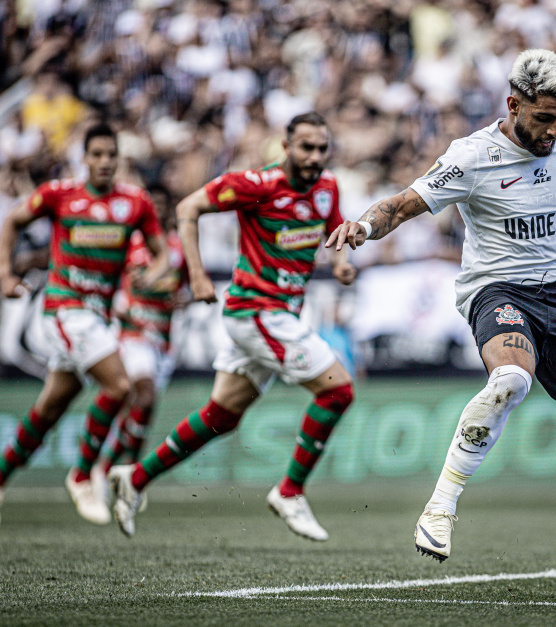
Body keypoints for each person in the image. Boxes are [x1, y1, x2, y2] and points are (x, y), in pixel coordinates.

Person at [327, 49, 556, 603]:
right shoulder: (472, 156)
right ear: (513, 104)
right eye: (543, 118)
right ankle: (441, 505)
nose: (553, 131)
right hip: (497, 291)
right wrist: (362, 227)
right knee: (512, 380)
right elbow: (402, 205)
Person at [108, 112, 357, 542]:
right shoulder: (257, 185)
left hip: (278, 316)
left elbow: (332, 227)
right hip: (257, 313)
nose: (315, 157)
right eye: (306, 147)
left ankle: (135, 478)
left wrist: (340, 262)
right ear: (286, 146)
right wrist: (200, 276)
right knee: (338, 390)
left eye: (321, 148)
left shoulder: (327, 187)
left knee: (220, 416)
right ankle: (289, 491)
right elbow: (189, 208)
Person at [0, 122, 169, 526]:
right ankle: (82, 475)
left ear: (119, 159)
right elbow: (12, 221)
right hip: (64, 308)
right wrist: (5, 273)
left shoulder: (136, 202)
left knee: (50, 409)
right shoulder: (61, 195)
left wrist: (152, 272)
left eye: (112, 155)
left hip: (97, 315)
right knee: (120, 385)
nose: (105, 162)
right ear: (84, 158)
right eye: (97, 155)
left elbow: (161, 252)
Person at [93, 185, 188, 494]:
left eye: (164, 204)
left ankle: (123, 474)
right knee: (143, 396)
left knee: (142, 411)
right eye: (154, 205)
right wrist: (119, 309)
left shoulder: (179, 248)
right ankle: (109, 469)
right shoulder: (131, 241)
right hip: (133, 335)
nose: (159, 210)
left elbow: (183, 291)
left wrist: (183, 301)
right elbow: (108, 279)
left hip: (163, 339)